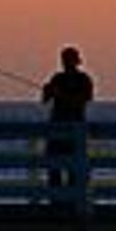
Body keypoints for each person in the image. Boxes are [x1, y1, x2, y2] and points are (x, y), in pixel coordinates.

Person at [38, 46, 93, 207]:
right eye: (64, 59)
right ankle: (55, 202)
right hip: (56, 130)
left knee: (74, 169)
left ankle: (72, 201)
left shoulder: (84, 79)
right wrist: (47, 90)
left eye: (69, 59)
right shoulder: (57, 78)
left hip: (75, 130)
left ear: (75, 61)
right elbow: (45, 100)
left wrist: (62, 95)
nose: (66, 63)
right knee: (54, 167)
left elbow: (85, 99)